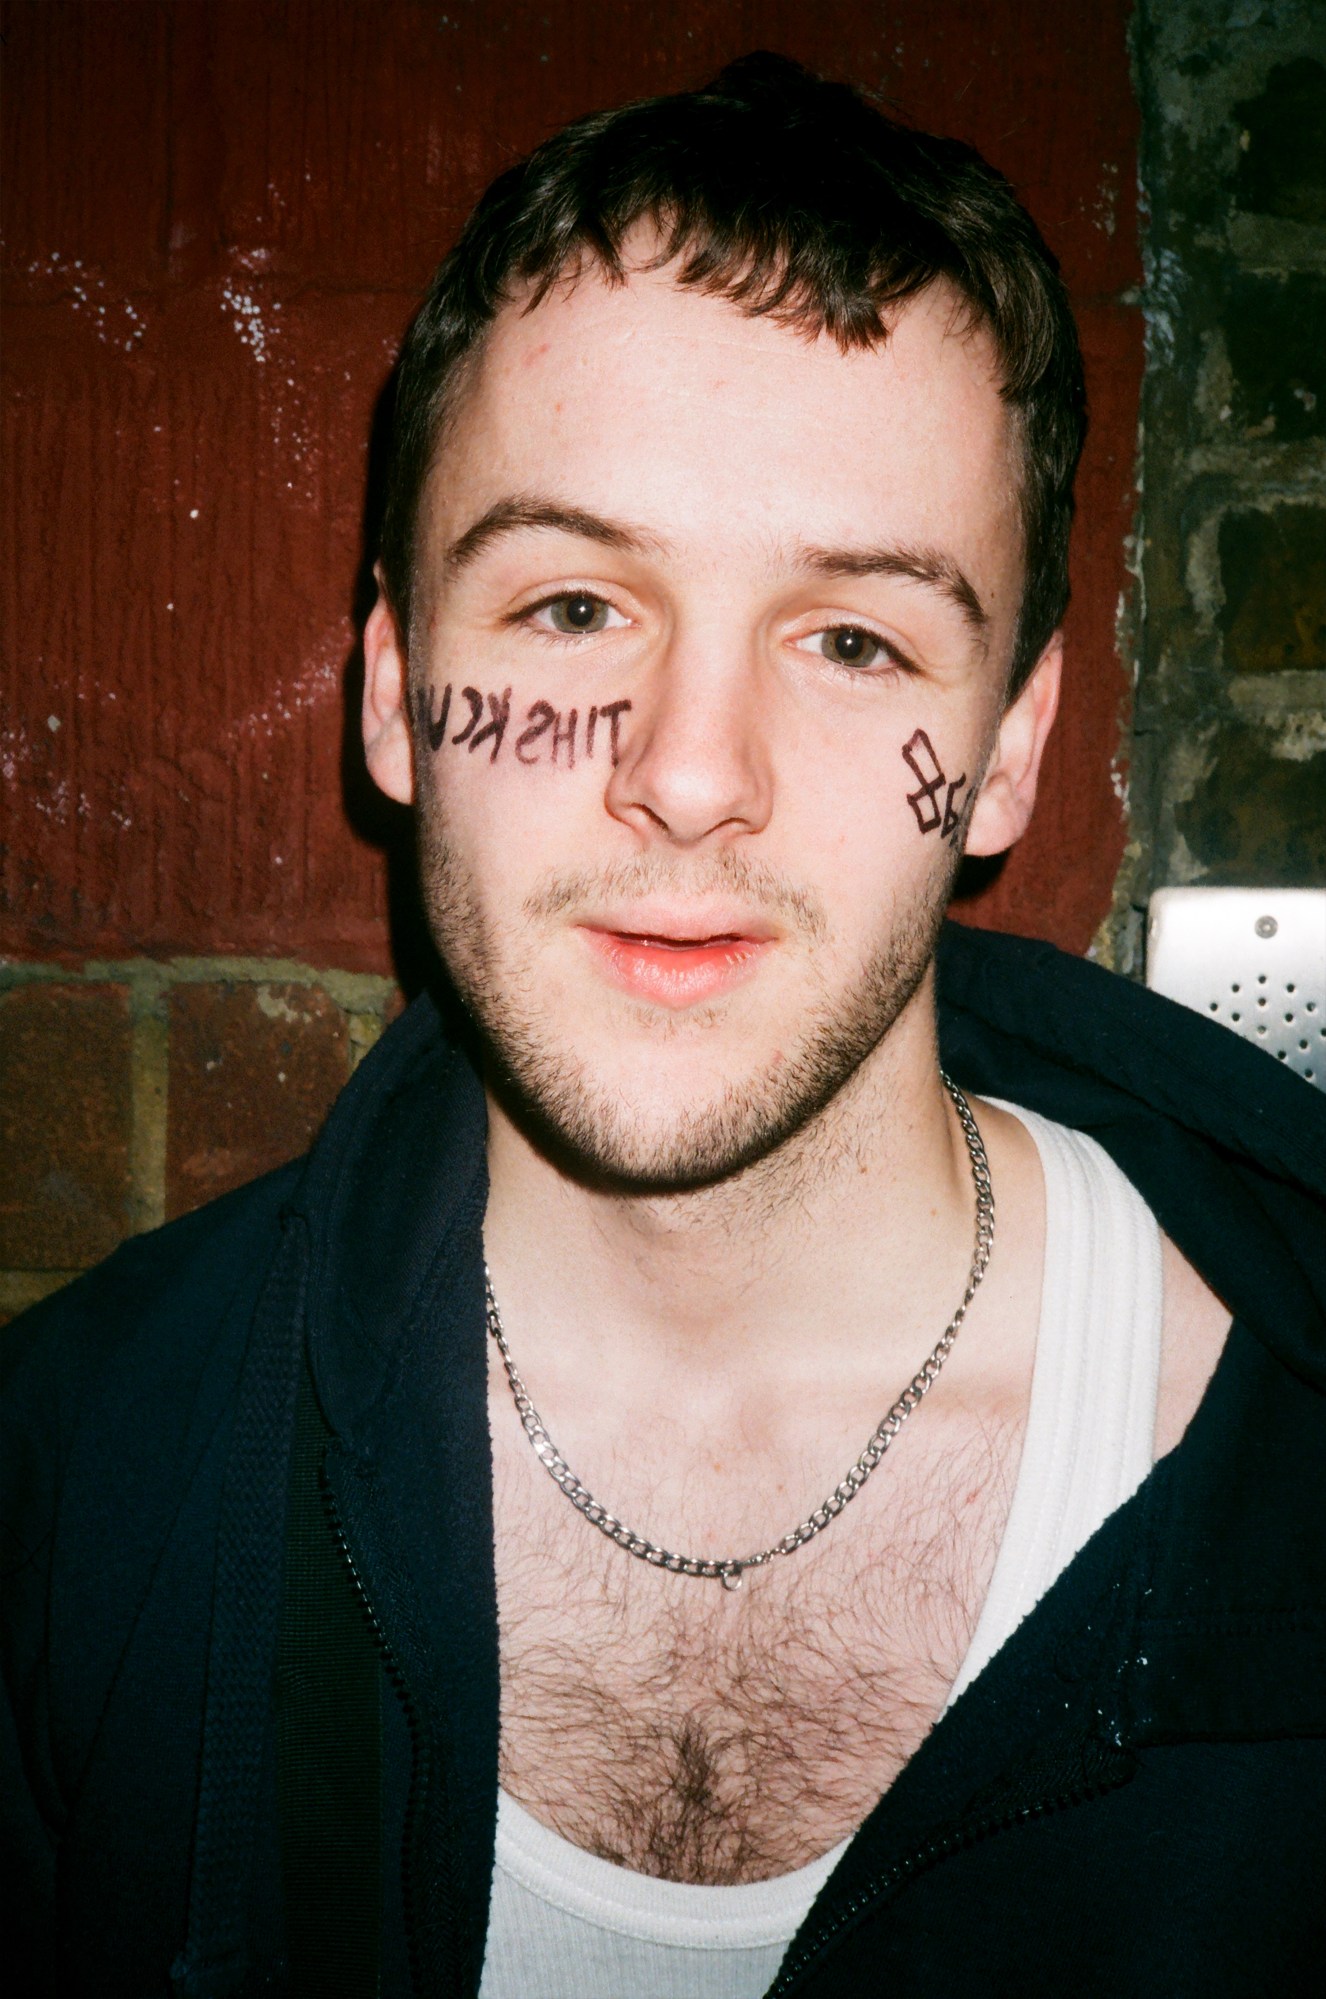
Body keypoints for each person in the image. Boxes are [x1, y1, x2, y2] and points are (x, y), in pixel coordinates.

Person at [4, 52, 1325, 1999]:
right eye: (571, 608)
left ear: (1005, 751)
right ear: (394, 691)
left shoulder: (1290, 1455)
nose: (691, 775)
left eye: (854, 637)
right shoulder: (77, 1488)